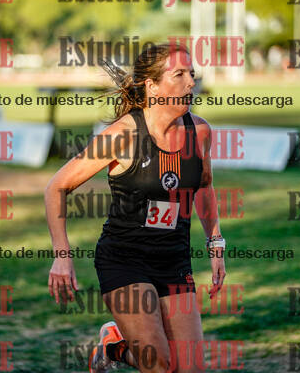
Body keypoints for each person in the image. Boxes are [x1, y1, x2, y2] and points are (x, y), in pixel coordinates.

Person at [45, 43, 226, 373]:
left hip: (173, 259)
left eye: (192, 74)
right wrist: (62, 255)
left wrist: (215, 244)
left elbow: (204, 186)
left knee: (190, 369)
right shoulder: (124, 135)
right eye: (179, 75)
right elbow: (57, 186)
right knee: (159, 364)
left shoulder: (199, 131)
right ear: (152, 86)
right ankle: (114, 347)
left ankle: (115, 347)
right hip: (125, 260)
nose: (191, 82)